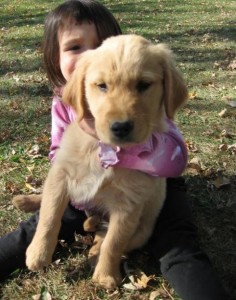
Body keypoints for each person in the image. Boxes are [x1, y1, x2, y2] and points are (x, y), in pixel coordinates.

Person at [0, 1, 228, 299]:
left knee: (175, 244)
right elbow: (61, 167)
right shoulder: (66, 107)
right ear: (56, 59)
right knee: (33, 231)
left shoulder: (160, 120)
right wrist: (52, 220)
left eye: (142, 85)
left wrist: (108, 258)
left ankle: (105, 252)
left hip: (156, 183)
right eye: (74, 47)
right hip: (85, 193)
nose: (121, 115)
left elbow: (173, 164)